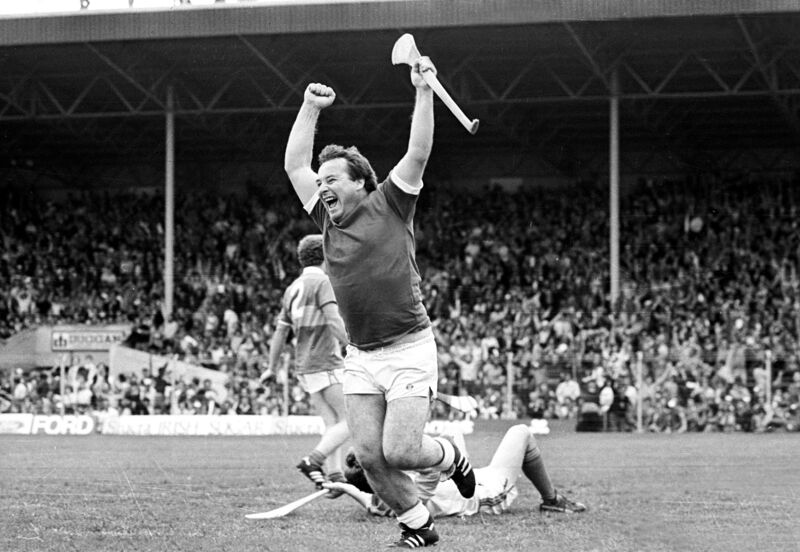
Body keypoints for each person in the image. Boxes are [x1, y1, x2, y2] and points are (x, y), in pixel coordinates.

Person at [283, 56, 475, 548]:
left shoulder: (390, 201)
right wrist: (308, 106)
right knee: (369, 456)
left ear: (359, 183)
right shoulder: (327, 221)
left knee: (404, 450)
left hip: (409, 346)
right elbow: (293, 165)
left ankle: (450, 456)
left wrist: (423, 89)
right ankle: (417, 526)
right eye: (321, 181)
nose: (322, 186)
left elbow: (419, 150)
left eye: (333, 180)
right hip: (362, 357)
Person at [323, 424, 586, 519]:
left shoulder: (383, 499)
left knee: (452, 434)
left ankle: (552, 500)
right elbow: (428, 465)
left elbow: (368, 501)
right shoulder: (410, 495)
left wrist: (343, 488)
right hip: (486, 493)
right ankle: (551, 501)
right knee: (521, 433)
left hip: (469, 480)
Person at [262, 234, 350, 491]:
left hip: (305, 366)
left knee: (333, 422)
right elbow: (333, 320)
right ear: (325, 255)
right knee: (353, 419)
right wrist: (353, 345)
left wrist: (271, 367)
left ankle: (335, 475)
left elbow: (280, 332)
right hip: (326, 360)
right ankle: (313, 461)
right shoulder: (322, 282)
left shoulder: (293, 288)